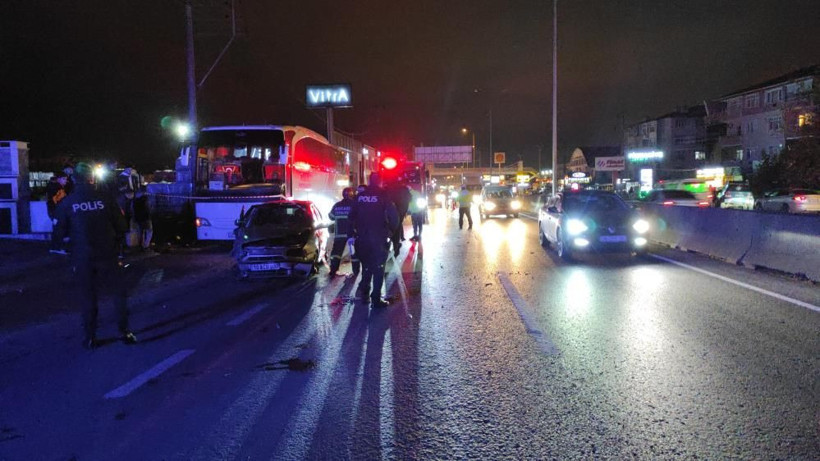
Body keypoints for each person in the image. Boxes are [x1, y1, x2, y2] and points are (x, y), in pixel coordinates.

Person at [52, 162, 137, 349]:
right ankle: (124, 332)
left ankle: (90, 337)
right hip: (108, 254)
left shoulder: (67, 202)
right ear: (91, 178)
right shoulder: (106, 199)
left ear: (74, 179)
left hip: (83, 257)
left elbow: (58, 234)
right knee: (118, 294)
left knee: (88, 297)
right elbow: (122, 226)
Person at [350, 173, 398, 308]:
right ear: (380, 181)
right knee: (378, 268)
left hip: (362, 237)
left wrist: (353, 233)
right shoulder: (384, 195)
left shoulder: (360, 197)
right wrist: (391, 232)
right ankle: (376, 299)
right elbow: (394, 216)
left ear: (369, 181)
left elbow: (351, 216)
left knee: (366, 266)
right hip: (379, 237)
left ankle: (364, 292)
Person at [328, 187, 359, 276]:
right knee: (353, 253)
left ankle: (333, 270)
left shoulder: (337, 205)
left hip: (339, 234)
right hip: (351, 235)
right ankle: (356, 271)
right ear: (351, 195)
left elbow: (331, 216)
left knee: (336, 253)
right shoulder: (354, 205)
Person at [387, 182, 412, 257]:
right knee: (397, 229)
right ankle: (396, 247)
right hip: (400, 213)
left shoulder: (388, 189)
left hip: (391, 214)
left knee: (390, 230)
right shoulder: (404, 190)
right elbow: (409, 199)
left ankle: (392, 246)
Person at [46, 172, 69, 254]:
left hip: (54, 211)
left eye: (66, 179)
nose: (66, 181)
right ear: (58, 179)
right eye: (64, 179)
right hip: (56, 211)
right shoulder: (57, 188)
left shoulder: (53, 186)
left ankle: (55, 247)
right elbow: (59, 201)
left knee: (57, 228)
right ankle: (58, 247)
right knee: (59, 228)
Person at [132, 186, 153, 251]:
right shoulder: (146, 199)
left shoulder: (134, 200)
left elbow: (132, 209)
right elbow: (149, 208)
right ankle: (146, 245)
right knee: (149, 231)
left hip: (138, 218)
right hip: (146, 218)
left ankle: (141, 245)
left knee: (140, 232)